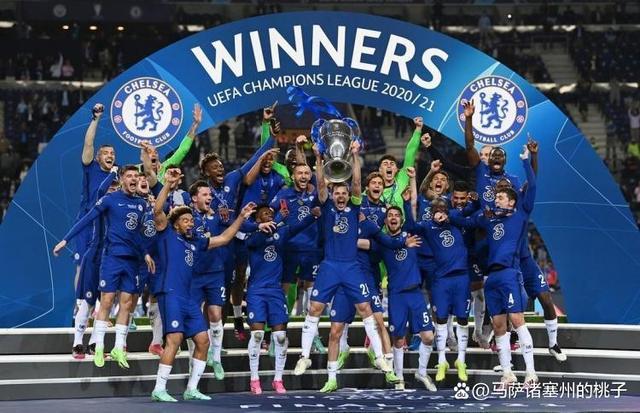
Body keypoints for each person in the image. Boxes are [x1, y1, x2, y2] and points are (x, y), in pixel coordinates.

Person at [149, 168, 255, 402]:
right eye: (185, 221)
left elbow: (224, 238)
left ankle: (192, 389)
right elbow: (157, 211)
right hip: (170, 294)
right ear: (175, 224)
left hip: (187, 297)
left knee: (203, 340)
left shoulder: (196, 242)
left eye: (190, 220)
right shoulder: (167, 235)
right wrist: (167, 184)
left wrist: (241, 217)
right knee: (175, 339)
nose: (189, 224)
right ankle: (159, 388)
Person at [293, 140, 394, 381]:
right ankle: (304, 356)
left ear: (349, 196)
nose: (340, 196)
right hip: (329, 266)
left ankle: (380, 355)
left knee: (366, 309)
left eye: (343, 193)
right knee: (314, 309)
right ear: (333, 195)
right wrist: (317, 158)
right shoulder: (327, 207)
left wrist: (355, 154)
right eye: (337, 192)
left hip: (351, 267)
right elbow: (320, 184)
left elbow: (357, 182)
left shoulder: (355, 209)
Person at [451, 145, 539, 387]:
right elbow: (462, 220)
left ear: (512, 201)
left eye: (500, 197)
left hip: (510, 274)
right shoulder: (488, 218)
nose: (494, 198)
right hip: (491, 278)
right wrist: (451, 211)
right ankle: (508, 374)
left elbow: (532, 187)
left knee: (517, 320)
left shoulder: (520, 214)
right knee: (499, 326)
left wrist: (527, 160)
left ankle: (531, 373)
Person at [54, 165, 148, 369]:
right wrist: (66, 240)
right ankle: (85, 344)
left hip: (130, 260)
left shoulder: (141, 204)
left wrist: (146, 254)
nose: (133, 179)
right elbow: (86, 218)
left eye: (136, 176)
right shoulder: (108, 200)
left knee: (125, 303)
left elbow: (139, 235)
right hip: (105, 257)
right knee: (96, 301)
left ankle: (115, 346)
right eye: (128, 176)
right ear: (121, 180)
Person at [245, 204, 320, 394]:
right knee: (257, 335)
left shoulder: (281, 232)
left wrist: (312, 215)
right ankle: (254, 379)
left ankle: (278, 379)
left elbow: (297, 227)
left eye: (272, 213)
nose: (270, 216)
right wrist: (278, 219)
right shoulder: (252, 235)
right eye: (265, 214)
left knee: (280, 336)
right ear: (257, 220)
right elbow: (257, 240)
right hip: (256, 290)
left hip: (275, 291)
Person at [363, 205, 437, 391]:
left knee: (428, 337)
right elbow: (364, 245)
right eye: (390, 215)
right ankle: (400, 378)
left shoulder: (412, 236)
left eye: (397, 215)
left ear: (402, 220)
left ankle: (421, 373)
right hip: (396, 295)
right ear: (385, 221)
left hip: (415, 293)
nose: (393, 218)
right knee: (398, 338)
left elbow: (414, 211)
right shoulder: (382, 242)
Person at [404, 196, 472, 384]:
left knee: (463, 319)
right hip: (441, 278)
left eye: (442, 209)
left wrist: (451, 216)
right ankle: (442, 361)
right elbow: (410, 226)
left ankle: (461, 360)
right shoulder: (427, 226)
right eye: (436, 210)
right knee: (440, 319)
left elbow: (472, 212)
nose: (439, 213)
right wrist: (406, 204)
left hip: (462, 276)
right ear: (431, 213)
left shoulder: (456, 219)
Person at [71, 169, 119, 359]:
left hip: (111, 261)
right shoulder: (101, 204)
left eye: (115, 187)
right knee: (88, 302)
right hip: (94, 259)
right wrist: (113, 174)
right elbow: (100, 191)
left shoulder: (121, 210)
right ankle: (77, 344)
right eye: (110, 187)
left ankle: (94, 344)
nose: (112, 190)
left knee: (106, 303)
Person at [378, 117, 424, 209]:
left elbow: (410, 152)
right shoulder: (374, 186)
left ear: (396, 169)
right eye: (385, 164)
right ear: (380, 170)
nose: (389, 165)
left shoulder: (402, 177)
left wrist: (418, 129)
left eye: (392, 164)